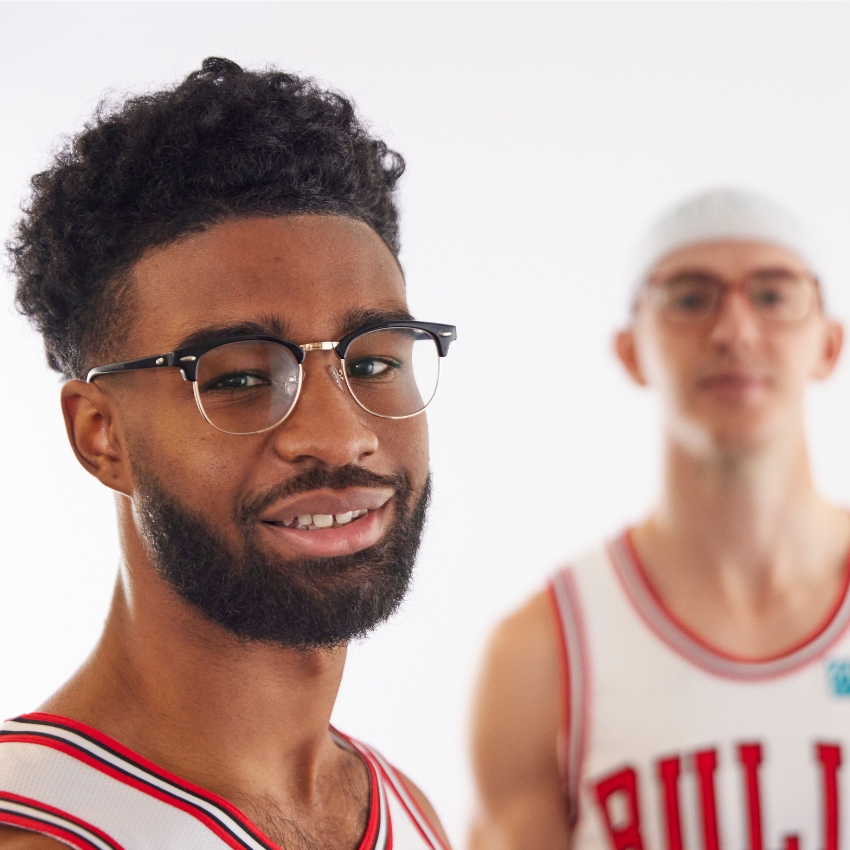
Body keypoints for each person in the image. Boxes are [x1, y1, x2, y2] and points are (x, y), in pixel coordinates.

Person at [0, 57, 456, 850]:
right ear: (100, 435)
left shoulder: (405, 811)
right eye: (242, 376)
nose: (338, 434)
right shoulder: (37, 830)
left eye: (373, 362)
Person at [470, 189, 850, 850]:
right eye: (690, 296)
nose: (734, 331)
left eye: (773, 294)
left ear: (829, 345)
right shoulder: (542, 653)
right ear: (630, 350)